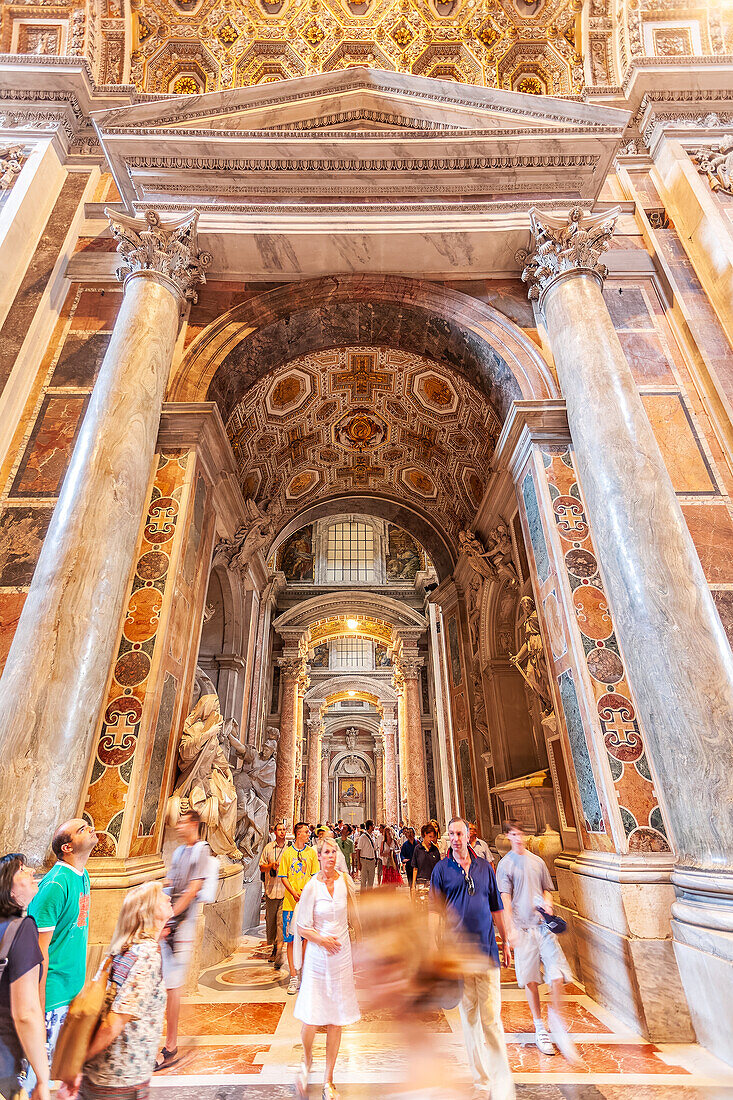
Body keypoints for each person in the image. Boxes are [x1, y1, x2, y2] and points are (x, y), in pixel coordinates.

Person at [431, 817, 514, 1100]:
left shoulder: (484, 868)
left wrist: (506, 940)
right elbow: (435, 911)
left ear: (469, 836)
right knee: (469, 1018)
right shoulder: (441, 869)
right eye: (451, 834)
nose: (455, 838)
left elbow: (497, 907)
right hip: (458, 954)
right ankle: (481, 1080)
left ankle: (500, 1079)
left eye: (459, 833)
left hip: (487, 951)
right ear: (447, 838)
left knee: (491, 1018)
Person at [77, 881, 172, 1099]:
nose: (168, 898)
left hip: (101, 1076)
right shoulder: (146, 956)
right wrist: (77, 1065)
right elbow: (114, 1023)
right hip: (120, 1080)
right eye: (161, 896)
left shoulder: (120, 950)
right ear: (147, 911)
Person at [496, 821, 578, 1062]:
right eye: (514, 834)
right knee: (531, 980)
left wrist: (548, 902)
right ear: (508, 836)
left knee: (557, 975)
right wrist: (509, 930)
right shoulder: (505, 865)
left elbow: (546, 889)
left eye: (521, 834)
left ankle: (556, 1019)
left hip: (543, 927)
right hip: (522, 929)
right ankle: (539, 1025)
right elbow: (505, 899)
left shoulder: (538, 861)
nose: (519, 838)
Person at [293, 837, 360, 1100]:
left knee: (336, 1018)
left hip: (341, 958)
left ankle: (328, 1080)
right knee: (311, 1017)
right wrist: (321, 939)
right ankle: (306, 1061)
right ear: (318, 856)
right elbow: (301, 927)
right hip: (318, 958)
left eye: (334, 852)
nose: (331, 856)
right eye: (326, 852)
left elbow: (354, 916)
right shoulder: (311, 887)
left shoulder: (345, 882)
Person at [28, 818, 96, 1064]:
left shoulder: (82, 875)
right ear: (67, 847)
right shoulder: (56, 884)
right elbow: (37, 950)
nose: (91, 829)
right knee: (39, 1073)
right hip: (52, 995)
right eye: (82, 829)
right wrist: (38, 1006)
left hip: (73, 990)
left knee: (63, 1069)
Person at [155, 808, 210, 1071]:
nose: (177, 826)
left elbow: (193, 889)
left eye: (182, 822)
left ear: (194, 825)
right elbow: (170, 882)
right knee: (164, 982)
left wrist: (172, 916)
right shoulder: (177, 852)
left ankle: (171, 1043)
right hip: (168, 920)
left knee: (173, 984)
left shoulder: (202, 850)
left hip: (183, 924)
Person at [0, 854, 50, 1100]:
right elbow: (26, 1013)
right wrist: (42, 1078)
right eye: (21, 869)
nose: (31, 871)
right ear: (8, 890)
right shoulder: (21, 929)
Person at [278, 822, 319, 995]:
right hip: (290, 902)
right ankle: (293, 976)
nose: (308, 834)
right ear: (297, 834)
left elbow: (314, 875)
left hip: (307, 902)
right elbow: (283, 876)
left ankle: (303, 973)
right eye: (305, 832)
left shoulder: (311, 853)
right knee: (289, 940)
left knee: (306, 939)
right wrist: (293, 891)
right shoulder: (288, 853)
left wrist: (306, 892)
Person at [259, 821, 288, 970]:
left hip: (285, 891)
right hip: (270, 890)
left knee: (280, 922)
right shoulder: (268, 848)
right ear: (274, 832)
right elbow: (261, 866)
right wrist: (271, 866)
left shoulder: (289, 850)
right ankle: (275, 946)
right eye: (279, 830)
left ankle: (279, 950)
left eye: (284, 829)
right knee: (270, 922)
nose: (282, 832)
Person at [409, 824, 441, 893]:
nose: (431, 839)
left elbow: (439, 868)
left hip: (433, 882)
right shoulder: (418, 849)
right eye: (430, 837)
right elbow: (415, 868)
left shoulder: (435, 849)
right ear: (424, 834)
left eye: (433, 837)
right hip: (421, 882)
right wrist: (413, 886)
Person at [354, 822, 378, 890]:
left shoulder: (372, 836)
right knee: (363, 881)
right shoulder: (363, 837)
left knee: (371, 881)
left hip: (372, 861)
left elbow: (374, 849)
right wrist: (358, 863)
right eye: (373, 825)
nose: (374, 827)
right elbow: (358, 850)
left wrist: (375, 859)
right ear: (370, 826)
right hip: (364, 861)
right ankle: (363, 897)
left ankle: (369, 897)